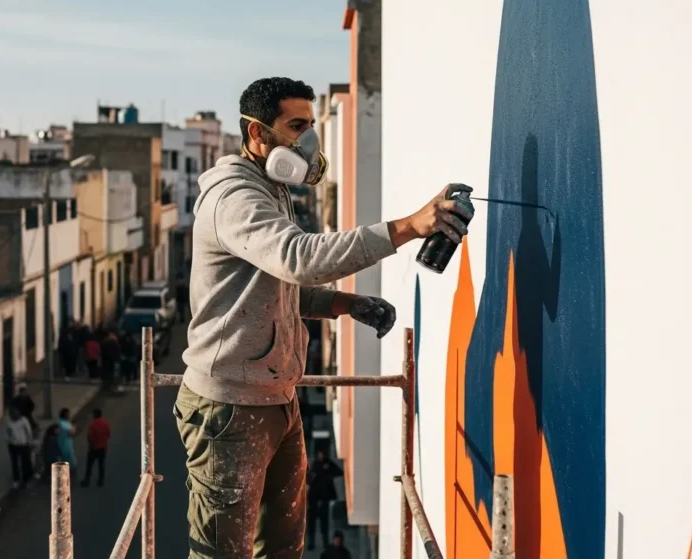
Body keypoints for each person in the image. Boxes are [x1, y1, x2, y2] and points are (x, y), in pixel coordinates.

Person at [175, 76, 474, 557]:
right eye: (297, 126)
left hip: (278, 399)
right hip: (229, 410)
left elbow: (277, 287)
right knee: (221, 555)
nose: (308, 140)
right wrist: (408, 226)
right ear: (258, 135)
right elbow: (300, 258)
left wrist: (345, 304)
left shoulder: (271, 189)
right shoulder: (235, 199)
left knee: (283, 547)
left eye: (311, 125)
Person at [307, 450, 344, 550]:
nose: (320, 456)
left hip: (324, 498)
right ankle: (311, 543)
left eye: (322, 454)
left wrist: (328, 470)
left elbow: (339, 472)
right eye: (319, 454)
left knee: (324, 523)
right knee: (312, 523)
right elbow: (308, 477)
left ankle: (325, 543)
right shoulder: (314, 465)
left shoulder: (328, 464)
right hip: (314, 498)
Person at [5, 406, 34, 487]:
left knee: (25, 462)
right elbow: (8, 431)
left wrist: (29, 442)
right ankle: (16, 479)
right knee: (14, 463)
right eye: (12, 415)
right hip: (13, 445)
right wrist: (9, 440)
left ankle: (26, 479)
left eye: (15, 414)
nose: (14, 416)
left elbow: (28, 431)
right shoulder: (9, 421)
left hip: (23, 445)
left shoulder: (23, 421)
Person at [80, 408, 111, 487]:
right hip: (103, 447)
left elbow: (89, 437)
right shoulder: (105, 423)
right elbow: (108, 434)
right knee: (101, 465)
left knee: (89, 465)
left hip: (94, 447)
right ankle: (101, 481)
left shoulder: (93, 424)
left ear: (94, 415)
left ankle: (87, 480)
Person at [56, 408, 77, 473]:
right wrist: (74, 427)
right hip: (65, 447)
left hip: (64, 445)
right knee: (68, 465)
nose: (70, 415)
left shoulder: (61, 422)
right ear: (66, 415)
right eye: (68, 414)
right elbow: (71, 432)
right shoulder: (63, 424)